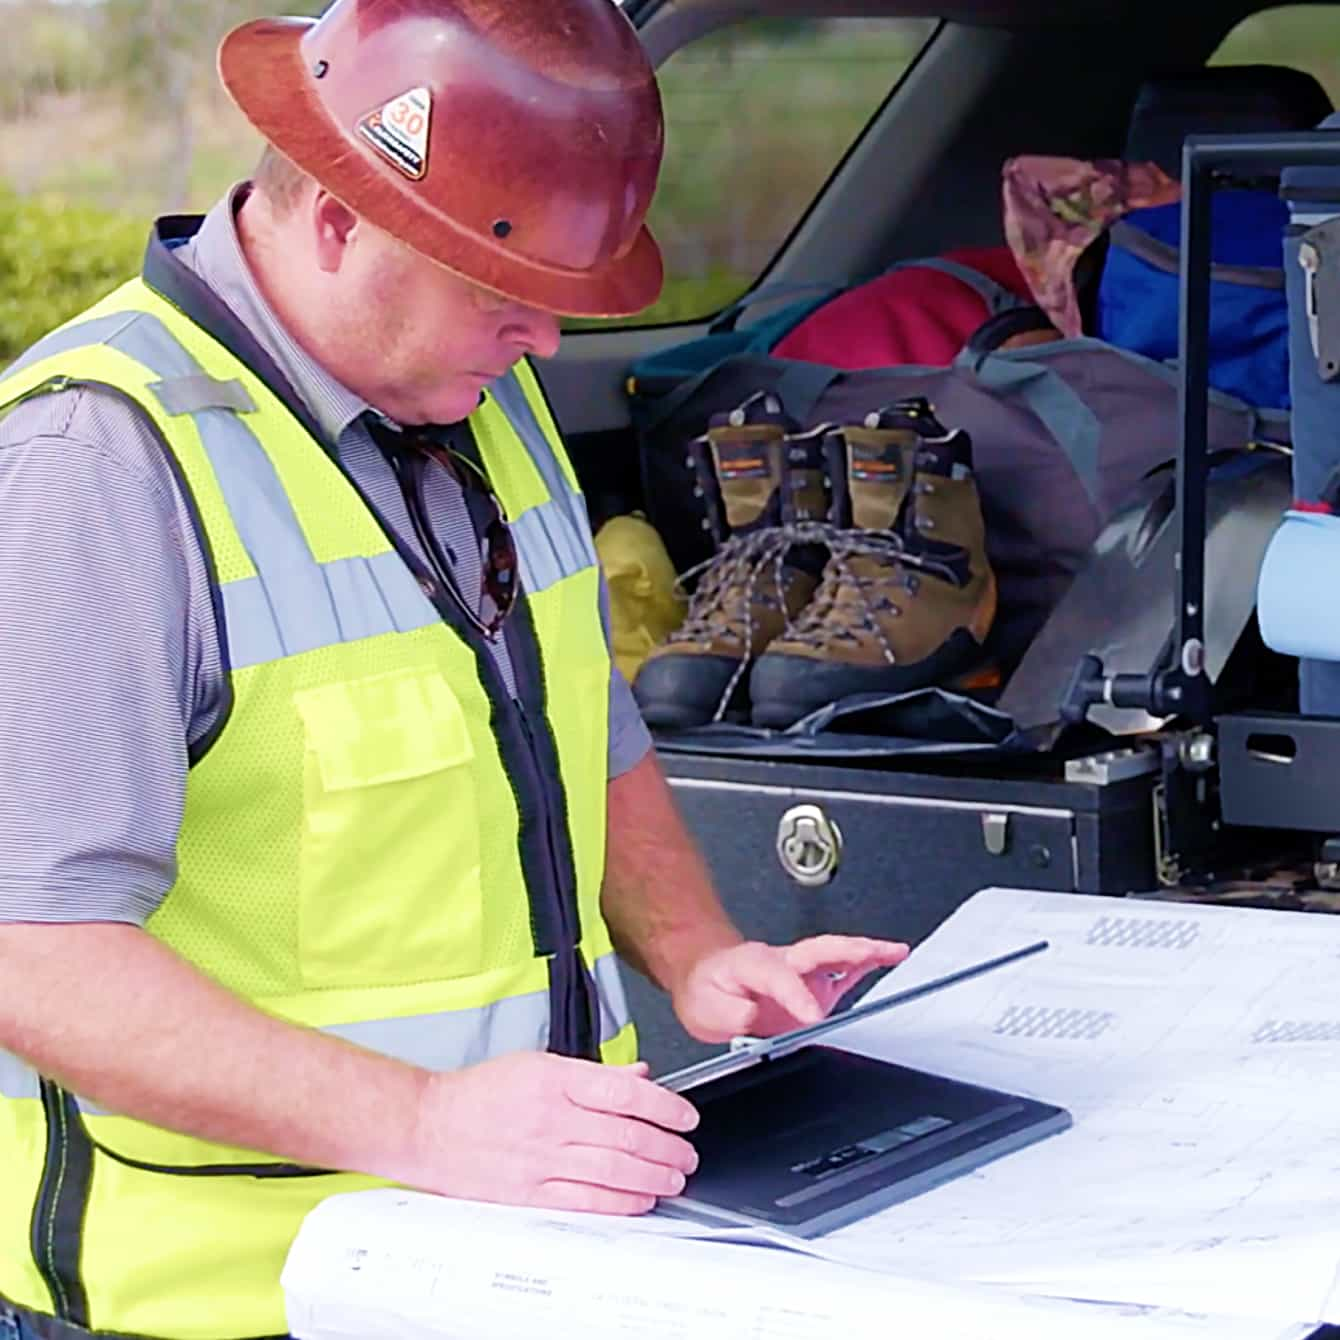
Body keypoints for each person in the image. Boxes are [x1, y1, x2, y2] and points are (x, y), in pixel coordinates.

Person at [0, 1, 910, 1336]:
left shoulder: (477, 390)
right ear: (335, 224)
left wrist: (703, 956)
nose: (543, 342)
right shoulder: (96, 470)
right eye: (505, 295)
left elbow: (574, 727)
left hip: (518, 1259)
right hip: (216, 1305)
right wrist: (422, 1122)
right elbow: (36, 953)